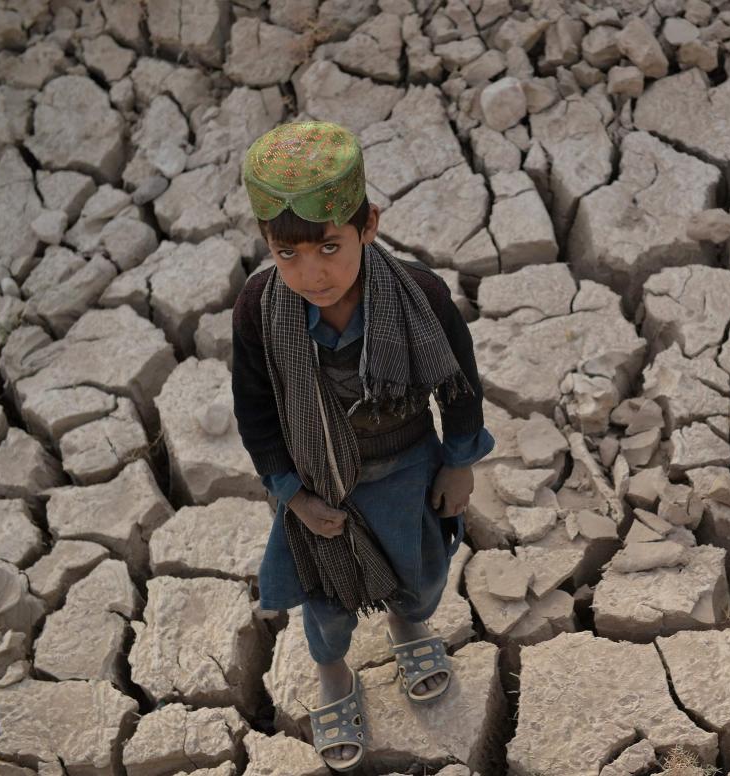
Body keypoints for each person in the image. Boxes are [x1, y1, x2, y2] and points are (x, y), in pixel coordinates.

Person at [230, 120, 495, 771]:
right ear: (267, 243)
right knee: (324, 599)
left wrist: (459, 467)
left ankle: (408, 627)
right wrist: (291, 496)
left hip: (408, 468)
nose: (310, 272)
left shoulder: (419, 295)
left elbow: (458, 389)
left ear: (367, 225)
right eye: (285, 253)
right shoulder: (260, 309)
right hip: (319, 485)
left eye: (327, 247)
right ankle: (334, 679)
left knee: (421, 571)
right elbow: (255, 411)